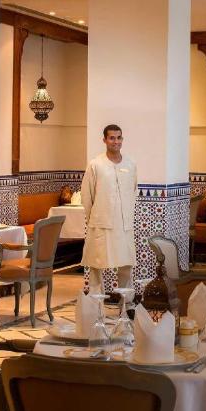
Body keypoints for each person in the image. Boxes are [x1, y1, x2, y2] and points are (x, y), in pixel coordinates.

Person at [81, 124, 138, 300]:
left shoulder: (130, 164)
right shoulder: (96, 165)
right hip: (101, 224)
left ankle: (127, 305)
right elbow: (87, 194)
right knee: (96, 266)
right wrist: (95, 218)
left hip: (124, 226)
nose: (116, 141)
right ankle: (94, 305)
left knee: (126, 265)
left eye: (119, 137)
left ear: (122, 139)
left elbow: (134, 190)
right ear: (104, 140)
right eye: (112, 138)